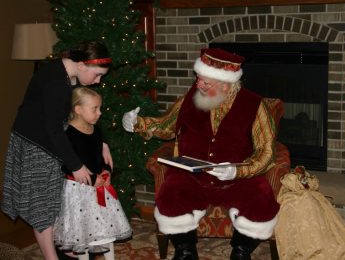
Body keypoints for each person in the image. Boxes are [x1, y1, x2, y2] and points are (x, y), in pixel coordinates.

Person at [122, 48, 280, 260]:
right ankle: (185, 250)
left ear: (226, 84)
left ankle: (241, 251)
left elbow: (267, 151)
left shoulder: (255, 105)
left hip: (236, 177)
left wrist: (238, 171)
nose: (198, 85)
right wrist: (137, 123)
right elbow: (167, 125)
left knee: (262, 200)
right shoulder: (190, 98)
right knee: (170, 194)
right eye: (198, 79)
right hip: (191, 175)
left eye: (206, 82)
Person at [1, 41, 113, 260]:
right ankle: (51, 257)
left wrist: (102, 141)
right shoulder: (54, 80)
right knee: (41, 207)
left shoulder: (69, 75)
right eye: (97, 75)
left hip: (52, 142)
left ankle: (64, 247)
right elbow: (53, 128)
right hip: (36, 145)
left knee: (56, 200)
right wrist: (76, 165)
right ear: (82, 64)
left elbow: (77, 118)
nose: (98, 81)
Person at [54, 87, 132, 260]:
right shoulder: (68, 134)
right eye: (95, 109)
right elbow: (67, 165)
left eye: (100, 108)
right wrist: (90, 179)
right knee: (84, 232)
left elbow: (101, 157)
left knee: (105, 228)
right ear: (78, 109)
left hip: (99, 188)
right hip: (78, 191)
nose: (100, 113)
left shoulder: (95, 130)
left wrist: (106, 171)